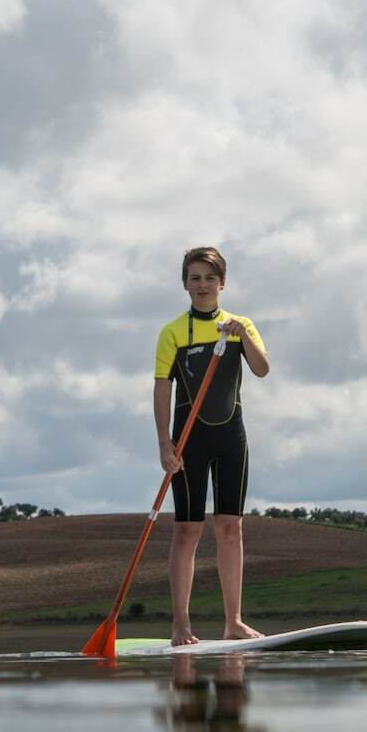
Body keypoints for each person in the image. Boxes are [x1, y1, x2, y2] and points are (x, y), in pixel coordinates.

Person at [154, 246, 270, 646]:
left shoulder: (241, 325)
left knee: (230, 526)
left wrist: (241, 335)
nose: (202, 285)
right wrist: (164, 444)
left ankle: (233, 622)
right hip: (188, 440)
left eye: (209, 277)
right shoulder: (172, 332)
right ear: (184, 283)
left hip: (230, 437)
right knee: (187, 529)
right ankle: (181, 625)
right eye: (194, 277)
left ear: (222, 283)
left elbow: (262, 368)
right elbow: (161, 388)